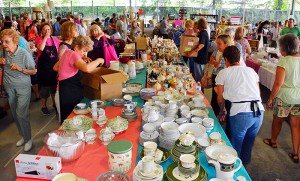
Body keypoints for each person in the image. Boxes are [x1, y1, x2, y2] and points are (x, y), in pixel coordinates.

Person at [215, 45, 264, 165]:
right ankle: (243, 170)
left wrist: (222, 111)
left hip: (241, 114)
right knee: (248, 144)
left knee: (235, 146)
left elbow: (220, 98)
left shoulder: (224, 73)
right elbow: (258, 93)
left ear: (226, 60)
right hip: (259, 112)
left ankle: (233, 171)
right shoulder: (251, 71)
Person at [264, 34, 300, 164]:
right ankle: (295, 153)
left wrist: (270, 99)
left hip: (284, 97)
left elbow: (278, 84)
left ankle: (273, 141)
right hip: (298, 98)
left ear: (285, 47)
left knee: (277, 121)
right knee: (295, 125)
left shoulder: (284, 61)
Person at [0, 29, 36, 151]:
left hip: (23, 87)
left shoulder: (24, 54)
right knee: (15, 114)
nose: (3, 44)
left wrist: (20, 69)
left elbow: (34, 71)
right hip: (9, 87)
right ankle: (23, 136)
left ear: (15, 41)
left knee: (22, 114)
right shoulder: (2, 53)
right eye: (2, 41)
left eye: (6, 41)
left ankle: (29, 138)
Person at [54, 36, 104, 123]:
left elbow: (55, 67)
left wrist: (74, 63)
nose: (85, 54)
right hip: (67, 95)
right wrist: (98, 60)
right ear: (76, 47)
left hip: (63, 92)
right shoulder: (73, 54)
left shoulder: (67, 53)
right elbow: (87, 68)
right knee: (71, 122)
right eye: (84, 51)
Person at [53, 21, 79, 123]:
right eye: (75, 29)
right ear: (69, 31)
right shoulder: (64, 48)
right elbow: (59, 67)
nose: (77, 31)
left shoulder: (70, 46)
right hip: (64, 89)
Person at [35, 23, 60, 115]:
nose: (47, 31)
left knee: (54, 87)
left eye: (48, 29)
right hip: (44, 69)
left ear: (51, 30)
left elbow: (58, 52)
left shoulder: (55, 39)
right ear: (41, 31)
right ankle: (44, 106)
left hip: (53, 67)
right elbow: (41, 48)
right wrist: (45, 37)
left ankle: (54, 104)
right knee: (44, 89)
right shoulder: (39, 39)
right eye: (44, 30)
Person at [187, 18, 210, 83]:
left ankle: (200, 91)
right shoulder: (202, 33)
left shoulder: (203, 33)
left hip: (200, 58)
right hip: (198, 58)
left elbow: (201, 45)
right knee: (197, 75)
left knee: (199, 77)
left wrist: (192, 52)